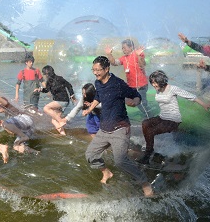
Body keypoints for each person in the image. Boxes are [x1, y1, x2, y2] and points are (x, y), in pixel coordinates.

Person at [82, 56, 153, 197]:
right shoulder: (98, 83)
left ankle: (145, 182)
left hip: (120, 128)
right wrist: (90, 109)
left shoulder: (118, 84)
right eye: (93, 70)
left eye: (98, 70)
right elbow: (99, 96)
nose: (95, 73)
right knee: (90, 155)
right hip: (104, 129)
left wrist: (135, 102)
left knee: (120, 161)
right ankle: (106, 172)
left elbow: (135, 94)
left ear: (107, 69)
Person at [136, 70, 210, 164]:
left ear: (161, 81)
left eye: (155, 82)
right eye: (152, 83)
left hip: (173, 120)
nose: (153, 85)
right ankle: (149, 147)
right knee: (145, 123)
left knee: (151, 131)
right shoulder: (158, 90)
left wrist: (204, 104)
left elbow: (190, 96)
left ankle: (148, 154)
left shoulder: (172, 89)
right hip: (162, 117)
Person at [105, 39, 152, 118]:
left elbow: (142, 64)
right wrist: (109, 54)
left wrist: (138, 55)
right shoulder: (124, 58)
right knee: (125, 99)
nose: (123, 49)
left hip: (141, 84)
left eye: (124, 48)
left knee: (142, 103)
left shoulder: (137, 54)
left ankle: (149, 117)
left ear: (131, 47)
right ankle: (120, 115)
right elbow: (114, 63)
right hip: (131, 86)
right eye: (122, 48)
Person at [39, 65, 77, 135]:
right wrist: (40, 89)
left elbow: (69, 85)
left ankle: (61, 121)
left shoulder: (59, 78)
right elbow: (47, 90)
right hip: (60, 102)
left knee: (46, 108)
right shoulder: (49, 82)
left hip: (62, 101)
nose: (44, 76)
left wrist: (72, 95)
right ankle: (63, 134)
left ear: (47, 73)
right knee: (54, 120)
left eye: (44, 74)